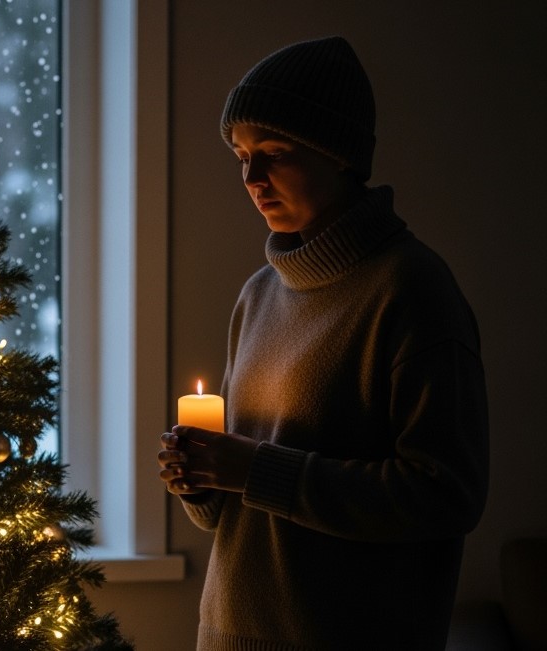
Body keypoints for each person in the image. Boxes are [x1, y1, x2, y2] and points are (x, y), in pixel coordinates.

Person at [157, 36, 489, 650]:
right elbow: (237, 503)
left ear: (339, 156)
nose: (251, 177)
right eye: (240, 155)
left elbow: (446, 496)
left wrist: (254, 469)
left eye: (274, 153)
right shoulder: (259, 294)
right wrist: (201, 480)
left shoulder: (412, 290)